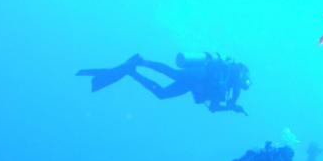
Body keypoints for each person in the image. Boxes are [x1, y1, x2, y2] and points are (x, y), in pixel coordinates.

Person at [76, 52, 251, 113]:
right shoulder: (232, 76)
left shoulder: (231, 89)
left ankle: (132, 71)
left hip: (194, 84)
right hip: (201, 74)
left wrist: (232, 108)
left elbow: (213, 108)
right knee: (174, 74)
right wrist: (233, 106)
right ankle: (143, 61)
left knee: (162, 94)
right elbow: (221, 95)